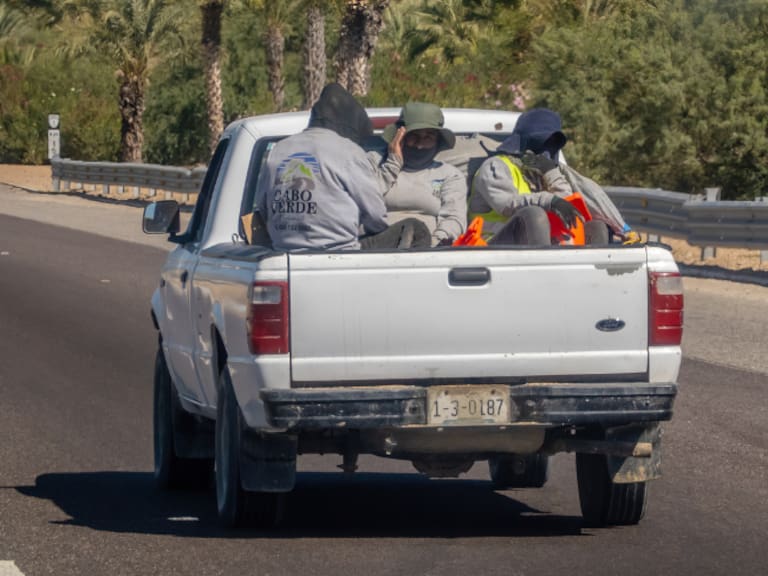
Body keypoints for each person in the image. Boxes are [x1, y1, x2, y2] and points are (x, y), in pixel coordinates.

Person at [255, 83, 426, 251]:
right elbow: (375, 216)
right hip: (340, 254)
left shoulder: (279, 149)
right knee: (416, 229)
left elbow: (262, 209)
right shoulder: (349, 151)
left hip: (284, 253)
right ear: (351, 125)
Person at [469, 107, 639, 245]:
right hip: (492, 247)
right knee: (534, 216)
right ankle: (543, 275)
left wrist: (551, 173)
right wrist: (549, 201)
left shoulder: (544, 172)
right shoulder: (495, 166)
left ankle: (591, 280)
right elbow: (505, 204)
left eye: (550, 145)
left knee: (596, 227)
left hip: (544, 246)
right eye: (539, 143)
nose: (544, 150)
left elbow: (567, 202)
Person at [372, 102, 467, 247]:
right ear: (400, 137)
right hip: (375, 247)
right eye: (414, 136)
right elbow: (364, 200)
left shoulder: (450, 175)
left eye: (428, 137)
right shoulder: (374, 163)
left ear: (438, 141)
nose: (419, 145)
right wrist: (392, 165)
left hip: (428, 250)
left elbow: (454, 218)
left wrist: (434, 244)